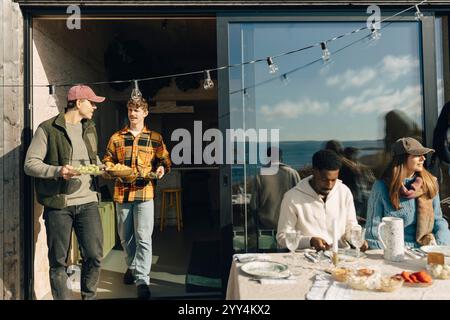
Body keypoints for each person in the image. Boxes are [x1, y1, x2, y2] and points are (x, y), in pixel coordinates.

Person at [24, 85, 105, 300]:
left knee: (95, 256)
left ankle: (89, 297)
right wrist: (58, 171)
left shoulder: (89, 127)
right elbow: (30, 164)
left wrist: (104, 167)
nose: (95, 107)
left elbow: (91, 159)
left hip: (88, 202)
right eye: (92, 102)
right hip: (59, 205)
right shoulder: (48, 129)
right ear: (78, 103)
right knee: (58, 261)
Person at [103, 96, 171, 300]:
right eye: (130, 110)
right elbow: (107, 160)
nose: (133, 114)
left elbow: (165, 160)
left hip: (145, 193)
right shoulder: (116, 138)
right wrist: (109, 168)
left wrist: (161, 168)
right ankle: (132, 266)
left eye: (137, 110)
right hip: (122, 193)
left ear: (145, 113)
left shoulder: (155, 138)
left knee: (143, 237)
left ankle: (142, 279)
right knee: (125, 236)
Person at [366, 137, 450, 249]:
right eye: (417, 155)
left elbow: (438, 220)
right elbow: (373, 231)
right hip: (393, 252)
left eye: (423, 154)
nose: (423, 158)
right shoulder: (382, 187)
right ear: (403, 158)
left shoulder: (429, 183)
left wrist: (440, 245)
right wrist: (388, 253)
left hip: (425, 250)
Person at [277, 149, 368, 252]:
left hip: (342, 257)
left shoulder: (344, 192)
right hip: (307, 259)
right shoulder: (292, 197)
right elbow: (282, 238)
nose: (329, 185)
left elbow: (351, 227)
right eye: (324, 179)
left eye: (333, 180)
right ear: (314, 172)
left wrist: (358, 240)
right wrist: (310, 241)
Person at [250, 147, 300, 250]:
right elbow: (300, 199)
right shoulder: (292, 173)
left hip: (267, 226)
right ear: (281, 158)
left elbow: (253, 204)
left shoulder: (260, 175)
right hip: (288, 224)